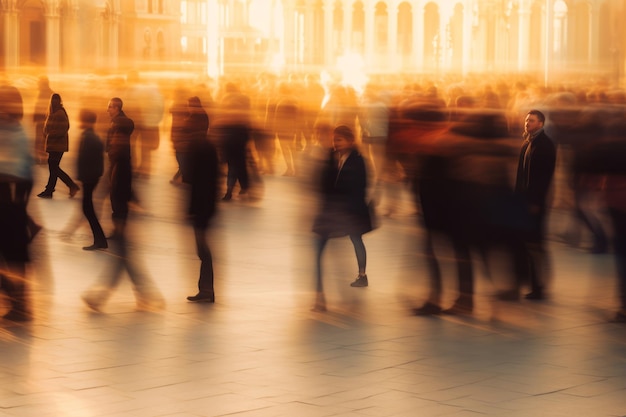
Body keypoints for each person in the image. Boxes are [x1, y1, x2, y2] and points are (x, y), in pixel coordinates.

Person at [81, 98, 164, 312]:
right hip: (120, 213)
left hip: (121, 215)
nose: (113, 139)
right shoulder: (120, 158)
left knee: (122, 258)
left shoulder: (122, 159)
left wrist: (126, 208)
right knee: (124, 259)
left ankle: (99, 297)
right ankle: (145, 295)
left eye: (116, 135)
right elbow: (117, 183)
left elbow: (123, 185)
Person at [311, 125, 374, 311]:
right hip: (335, 212)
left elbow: (359, 187)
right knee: (333, 246)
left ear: (350, 141)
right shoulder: (332, 157)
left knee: (355, 239)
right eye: (334, 140)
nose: (335, 144)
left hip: (350, 212)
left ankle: (362, 275)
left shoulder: (358, 161)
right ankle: (321, 295)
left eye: (339, 140)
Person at [512, 109, 557, 300]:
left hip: (534, 203)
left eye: (531, 120)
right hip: (525, 201)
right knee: (529, 242)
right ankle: (532, 282)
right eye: (526, 120)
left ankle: (538, 285)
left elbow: (543, 179)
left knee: (535, 243)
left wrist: (536, 201)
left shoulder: (544, 145)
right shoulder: (529, 142)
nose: (527, 123)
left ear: (541, 123)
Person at [0, 84, 35, 321]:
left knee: (13, 257)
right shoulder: (15, 131)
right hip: (12, 204)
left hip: (9, 204)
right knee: (13, 257)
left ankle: (19, 303)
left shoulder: (14, 133)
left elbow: (22, 172)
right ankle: (18, 302)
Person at [183, 97, 219, 303]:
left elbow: (195, 182)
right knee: (203, 249)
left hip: (201, 208)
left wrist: (191, 208)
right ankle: (205, 289)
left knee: (203, 249)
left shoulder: (197, 148)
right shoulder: (209, 146)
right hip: (207, 206)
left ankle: (206, 290)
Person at [37, 93, 80, 199]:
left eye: (55, 100)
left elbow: (64, 128)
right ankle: (52, 189)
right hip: (54, 145)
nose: (54, 102)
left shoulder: (60, 113)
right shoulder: (53, 113)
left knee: (54, 167)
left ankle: (60, 188)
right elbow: (47, 128)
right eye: (53, 100)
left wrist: (50, 134)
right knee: (54, 168)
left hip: (57, 146)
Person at [76, 109, 107, 251]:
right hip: (90, 177)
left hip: (89, 178)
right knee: (87, 208)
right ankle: (100, 239)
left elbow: (87, 159)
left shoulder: (89, 138)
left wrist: (84, 177)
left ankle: (100, 240)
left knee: (87, 208)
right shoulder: (92, 136)